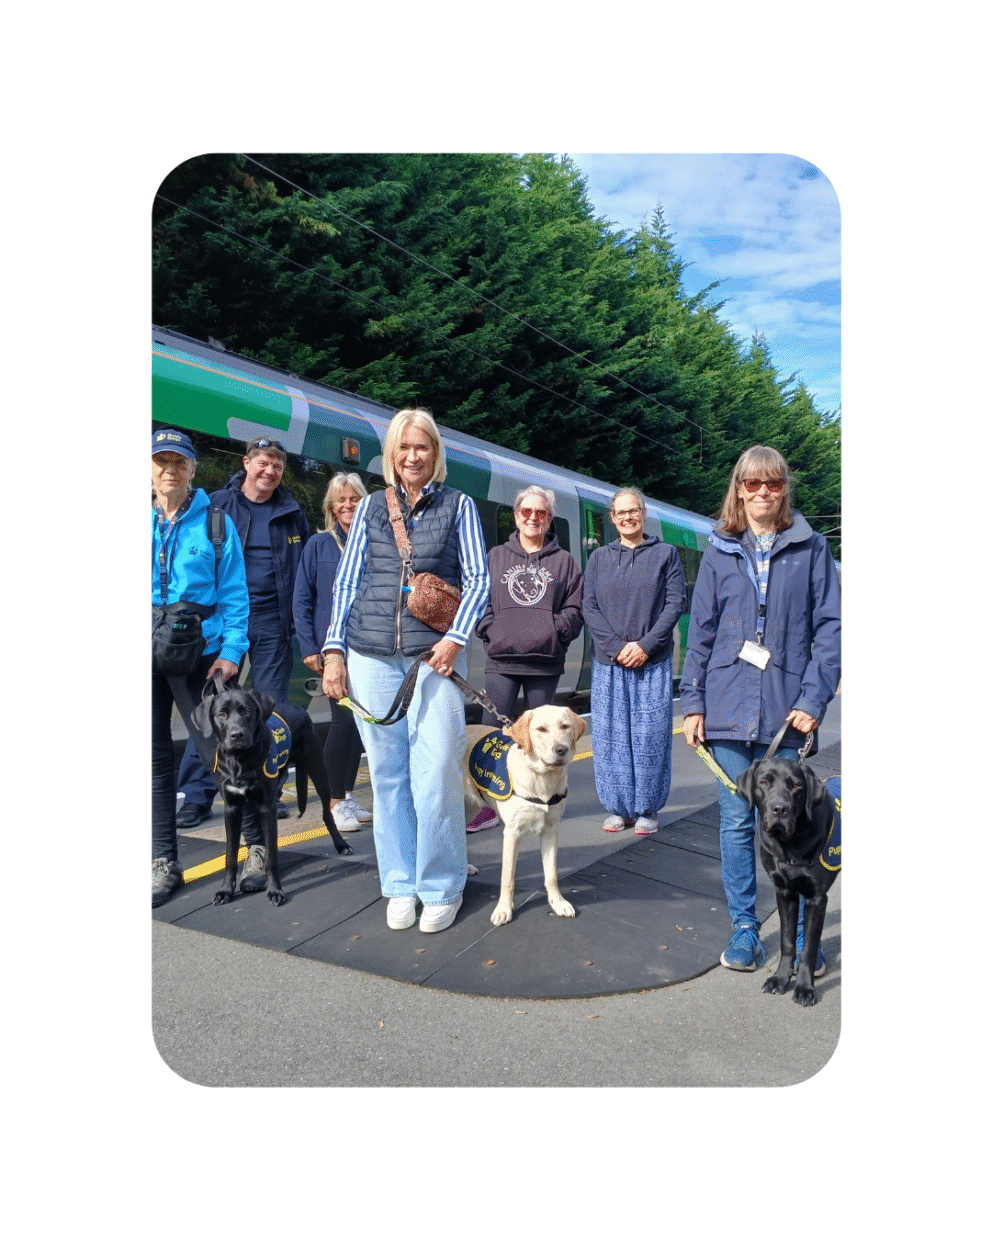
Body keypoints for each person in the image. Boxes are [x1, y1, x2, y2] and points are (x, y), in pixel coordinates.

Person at [321, 408, 490, 934]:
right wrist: (333, 652)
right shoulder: (371, 507)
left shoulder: (459, 506)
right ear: (392, 453)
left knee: (437, 773)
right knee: (390, 777)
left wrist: (454, 639)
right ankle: (398, 883)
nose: (413, 456)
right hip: (370, 658)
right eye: (404, 447)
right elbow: (347, 584)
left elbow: (480, 579)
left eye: (423, 447)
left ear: (435, 453)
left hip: (432, 657)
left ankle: (441, 885)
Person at [680, 445, 841, 973]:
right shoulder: (720, 549)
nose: (763, 493)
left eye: (773, 484)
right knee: (736, 822)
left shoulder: (812, 547)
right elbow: (699, 631)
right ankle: (746, 929)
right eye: (753, 484)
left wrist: (814, 699)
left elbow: (830, 630)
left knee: (794, 822)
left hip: (786, 710)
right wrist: (693, 701)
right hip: (726, 708)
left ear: (783, 489)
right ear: (739, 490)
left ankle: (798, 935)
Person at [175, 436, 310, 832]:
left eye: (277, 466)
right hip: (224, 618)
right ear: (246, 463)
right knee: (211, 713)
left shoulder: (291, 511)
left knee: (270, 710)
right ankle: (197, 796)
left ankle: (267, 789)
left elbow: (302, 573)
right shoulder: (216, 505)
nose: (269, 471)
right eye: (263, 463)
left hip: (272, 620)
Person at [151, 428, 249, 907]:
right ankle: (164, 861)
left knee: (219, 753)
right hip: (145, 651)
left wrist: (231, 650)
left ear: (192, 469)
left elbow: (234, 593)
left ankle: (255, 849)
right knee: (153, 762)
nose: (169, 469)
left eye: (178, 462)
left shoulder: (214, 523)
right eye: (160, 461)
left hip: (201, 655)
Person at [471, 484, 584, 831]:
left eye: (541, 513)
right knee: (493, 734)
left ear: (549, 518)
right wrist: (492, 629)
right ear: (517, 515)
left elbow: (575, 607)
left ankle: (537, 797)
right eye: (526, 512)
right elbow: (479, 599)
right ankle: (491, 805)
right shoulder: (495, 556)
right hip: (502, 661)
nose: (533, 518)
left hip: (544, 662)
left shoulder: (564, 562)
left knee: (543, 738)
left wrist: (553, 630)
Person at [582, 486, 687, 836]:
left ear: (643, 514)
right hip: (608, 663)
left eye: (634, 511)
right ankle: (618, 807)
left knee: (649, 738)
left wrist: (645, 645)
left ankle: (647, 809)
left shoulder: (666, 554)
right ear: (612, 519)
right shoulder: (598, 558)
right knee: (610, 738)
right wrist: (615, 647)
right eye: (620, 512)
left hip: (651, 662)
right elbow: (589, 606)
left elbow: (675, 604)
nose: (627, 517)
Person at [292, 471, 371, 834]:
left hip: (370, 646)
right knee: (342, 722)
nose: (348, 504)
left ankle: (347, 793)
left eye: (354, 497)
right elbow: (302, 598)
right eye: (341, 499)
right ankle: (333, 802)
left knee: (358, 724)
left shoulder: (375, 541)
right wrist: (310, 645)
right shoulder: (319, 545)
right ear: (331, 506)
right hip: (333, 648)